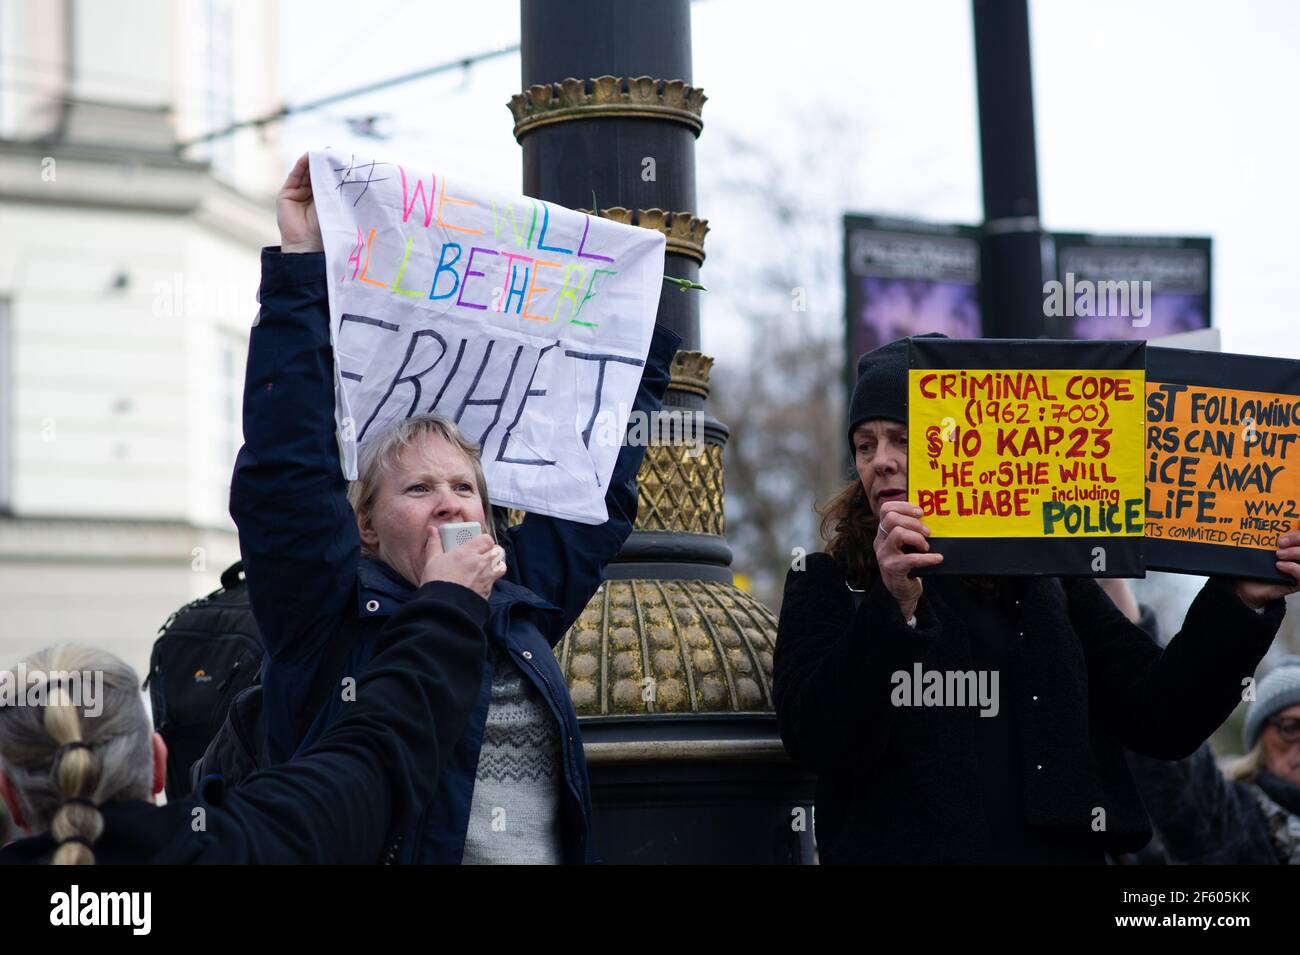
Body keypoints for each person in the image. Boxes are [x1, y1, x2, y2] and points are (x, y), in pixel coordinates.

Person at [235, 154, 680, 864]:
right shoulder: (327, 613)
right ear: (367, 526)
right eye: (417, 490)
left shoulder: (512, 609)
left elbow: (597, 501)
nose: (447, 502)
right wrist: (298, 271)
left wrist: (634, 348)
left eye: (463, 487)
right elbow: (286, 472)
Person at [773, 334, 1300, 864]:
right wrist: (895, 608)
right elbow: (819, 742)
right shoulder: (830, 583)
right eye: (866, 445)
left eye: (903, 439)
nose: (881, 461)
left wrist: (1239, 602)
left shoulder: (1048, 580)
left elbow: (1162, 717)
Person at [0, 573, 492, 864]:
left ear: (9, 797)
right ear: (155, 760)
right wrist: (450, 598)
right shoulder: (253, 844)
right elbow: (380, 743)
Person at [1126, 657, 1300, 864]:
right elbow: (1166, 744)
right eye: (1291, 728)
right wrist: (1137, 636)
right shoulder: (1223, 815)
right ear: (1259, 741)